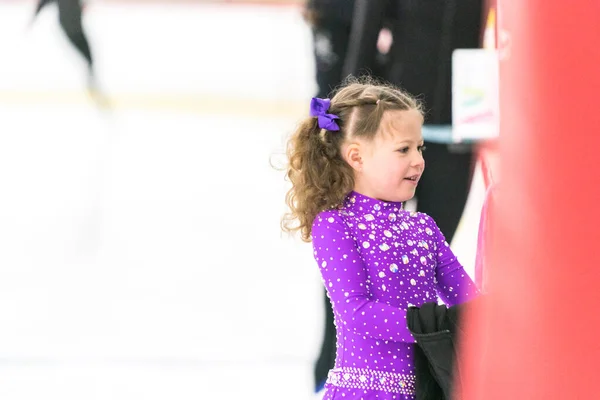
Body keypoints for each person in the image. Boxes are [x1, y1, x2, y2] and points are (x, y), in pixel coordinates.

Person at [282, 79, 479, 399]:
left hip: (426, 391)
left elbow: (468, 301)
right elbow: (356, 312)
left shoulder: (423, 227)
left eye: (420, 147)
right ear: (356, 157)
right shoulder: (335, 225)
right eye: (404, 149)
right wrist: (432, 326)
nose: (418, 160)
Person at [343, 0, 483, 246]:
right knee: (367, 244)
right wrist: (348, 118)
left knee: (430, 255)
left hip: (457, 136)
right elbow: (365, 38)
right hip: (392, 133)